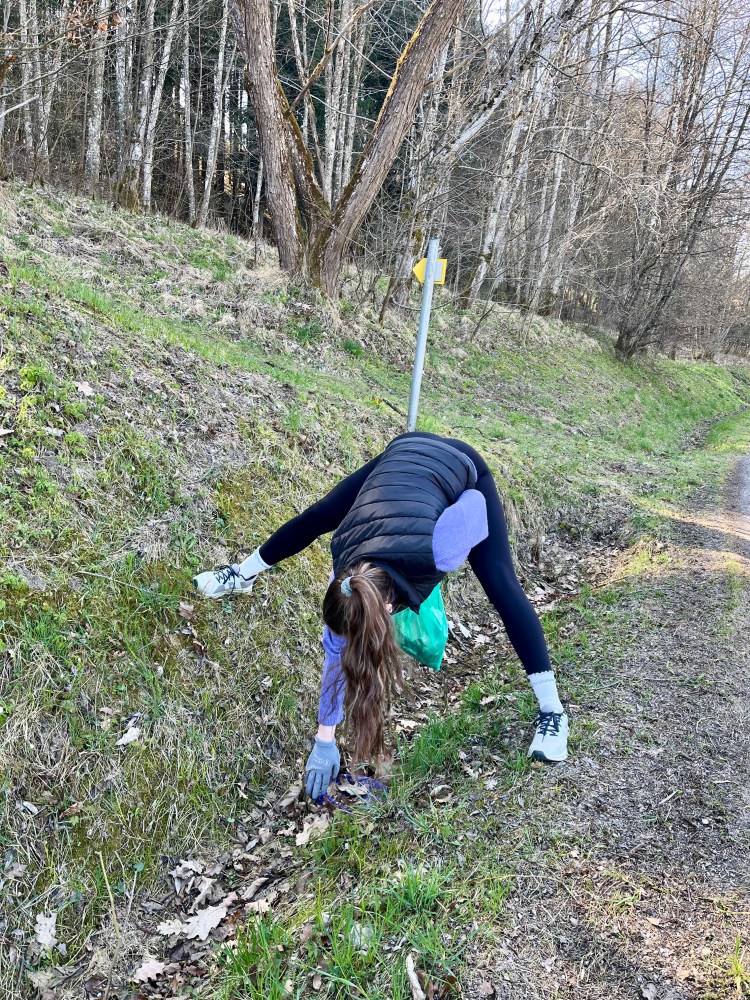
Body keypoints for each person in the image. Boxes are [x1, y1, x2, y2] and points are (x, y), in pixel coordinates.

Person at [193, 432, 569, 798]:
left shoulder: (442, 549)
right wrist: (324, 738)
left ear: (388, 610)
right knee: (320, 514)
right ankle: (242, 574)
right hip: (400, 454)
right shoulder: (345, 566)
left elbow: (474, 504)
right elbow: (336, 650)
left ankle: (552, 712)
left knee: (502, 585)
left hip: (461, 466)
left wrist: (438, 521)